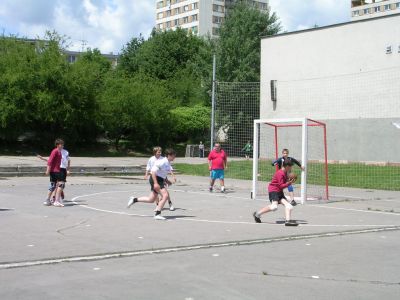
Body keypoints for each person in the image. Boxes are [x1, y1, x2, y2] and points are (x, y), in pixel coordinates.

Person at [127, 149, 176, 220]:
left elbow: (162, 173)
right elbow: (153, 172)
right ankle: (157, 214)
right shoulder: (162, 162)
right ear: (169, 155)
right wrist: (155, 183)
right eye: (174, 156)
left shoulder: (167, 162)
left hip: (160, 180)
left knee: (151, 199)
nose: (174, 157)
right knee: (165, 195)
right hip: (155, 179)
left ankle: (134, 199)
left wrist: (167, 181)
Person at [253, 159, 297, 226]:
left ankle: (288, 221)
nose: (291, 168)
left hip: (279, 191)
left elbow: (282, 184)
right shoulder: (280, 173)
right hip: (273, 190)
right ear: (287, 166)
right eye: (290, 166)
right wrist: (289, 183)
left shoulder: (285, 172)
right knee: (274, 207)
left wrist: (289, 180)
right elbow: (281, 186)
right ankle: (257, 214)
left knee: (289, 206)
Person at [144, 146, 175, 211]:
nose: (160, 153)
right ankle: (158, 206)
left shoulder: (163, 159)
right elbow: (148, 167)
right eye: (158, 152)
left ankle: (169, 203)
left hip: (161, 177)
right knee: (157, 194)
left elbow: (169, 168)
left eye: (160, 152)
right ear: (155, 152)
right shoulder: (151, 159)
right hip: (154, 177)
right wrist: (146, 174)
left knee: (165, 193)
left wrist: (172, 177)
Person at [43, 139, 65, 207]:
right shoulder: (55, 151)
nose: (62, 146)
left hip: (56, 170)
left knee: (53, 186)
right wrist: (47, 170)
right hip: (55, 171)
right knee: (61, 184)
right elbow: (50, 161)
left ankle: (47, 200)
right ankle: (56, 201)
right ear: (57, 145)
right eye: (61, 144)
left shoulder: (59, 152)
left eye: (62, 144)